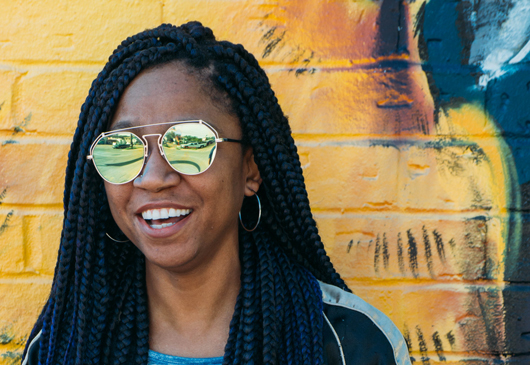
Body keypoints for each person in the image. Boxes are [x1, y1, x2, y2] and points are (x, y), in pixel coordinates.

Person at [22, 22, 411, 365]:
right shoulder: (65, 344)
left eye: (190, 143)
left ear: (250, 170)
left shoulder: (350, 346)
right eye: (122, 148)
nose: (153, 178)